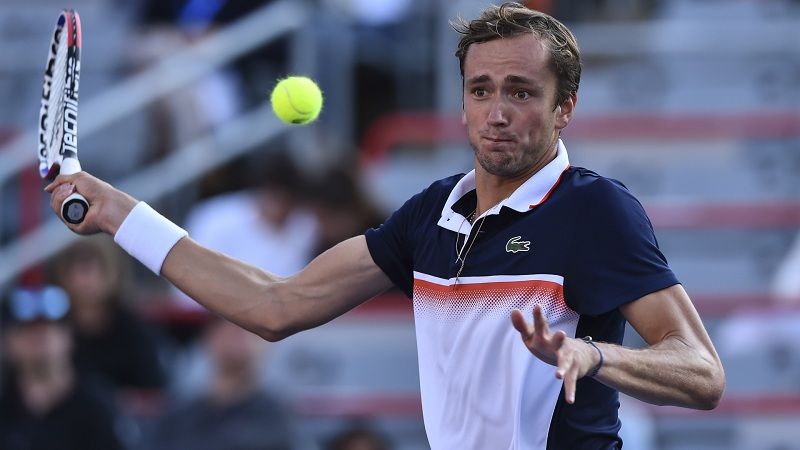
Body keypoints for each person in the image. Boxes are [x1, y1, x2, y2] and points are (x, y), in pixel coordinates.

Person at [46, 3, 725, 448]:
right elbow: (275, 304)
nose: (496, 112)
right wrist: (119, 214)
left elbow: (702, 372)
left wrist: (595, 356)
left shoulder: (595, 209)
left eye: (521, 92)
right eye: (481, 90)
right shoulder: (431, 213)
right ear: (462, 102)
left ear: (564, 107)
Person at [0, 285, 124, 450]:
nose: (39, 336)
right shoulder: (5, 405)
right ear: (7, 342)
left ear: (69, 336)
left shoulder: (99, 408)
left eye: (49, 327)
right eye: (26, 329)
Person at [147, 317, 296, 450]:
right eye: (227, 329)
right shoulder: (179, 414)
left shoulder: (274, 416)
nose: (237, 336)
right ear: (208, 337)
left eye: (248, 332)